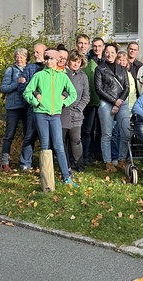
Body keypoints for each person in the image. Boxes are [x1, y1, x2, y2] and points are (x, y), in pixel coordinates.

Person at [23, 49, 78, 187]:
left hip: (55, 115)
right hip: (41, 114)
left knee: (59, 145)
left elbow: (73, 94)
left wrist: (63, 102)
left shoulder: (62, 77)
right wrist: (36, 102)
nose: (49, 61)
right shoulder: (39, 76)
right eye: (47, 59)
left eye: (52, 59)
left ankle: (66, 176)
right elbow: (27, 92)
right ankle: (46, 175)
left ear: (57, 60)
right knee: (45, 145)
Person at [95, 43, 131, 172]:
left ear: (116, 54)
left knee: (125, 132)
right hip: (106, 102)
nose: (109, 55)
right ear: (104, 53)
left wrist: (119, 101)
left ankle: (121, 160)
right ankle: (108, 162)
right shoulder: (100, 69)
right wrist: (114, 101)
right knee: (107, 133)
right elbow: (99, 89)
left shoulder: (122, 69)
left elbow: (127, 87)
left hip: (122, 102)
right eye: (107, 52)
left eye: (112, 52)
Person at [18, 43, 47, 172]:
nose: (35, 55)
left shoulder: (50, 67)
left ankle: (45, 164)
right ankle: (25, 163)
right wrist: (34, 96)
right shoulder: (29, 68)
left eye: (37, 52)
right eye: (34, 52)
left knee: (45, 138)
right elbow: (23, 87)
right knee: (29, 135)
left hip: (46, 108)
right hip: (32, 108)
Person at [0, 48, 29, 172]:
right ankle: (5, 162)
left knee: (27, 135)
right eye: (17, 56)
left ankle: (25, 162)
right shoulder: (10, 70)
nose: (19, 58)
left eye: (22, 56)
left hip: (26, 106)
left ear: (26, 58)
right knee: (9, 135)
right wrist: (17, 83)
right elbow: (3, 88)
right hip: (13, 107)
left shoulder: (30, 69)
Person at [61, 50, 90, 172]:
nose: (76, 64)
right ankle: (65, 165)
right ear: (69, 61)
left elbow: (86, 96)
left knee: (76, 139)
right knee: (61, 141)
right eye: (74, 61)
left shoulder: (83, 76)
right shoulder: (62, 74)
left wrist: (79, 108)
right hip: (62, 112)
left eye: (78, 62)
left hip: (77, 113)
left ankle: (79, 164)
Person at [80, 36, 101, 166]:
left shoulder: (93, 61)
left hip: (93, 101)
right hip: (77, 102)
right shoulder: (75, 60)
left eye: (85, 43)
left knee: (90, 130)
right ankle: (79, 156)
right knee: (80, 131)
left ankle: (89, 155)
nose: (83, 46)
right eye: (80, 43)